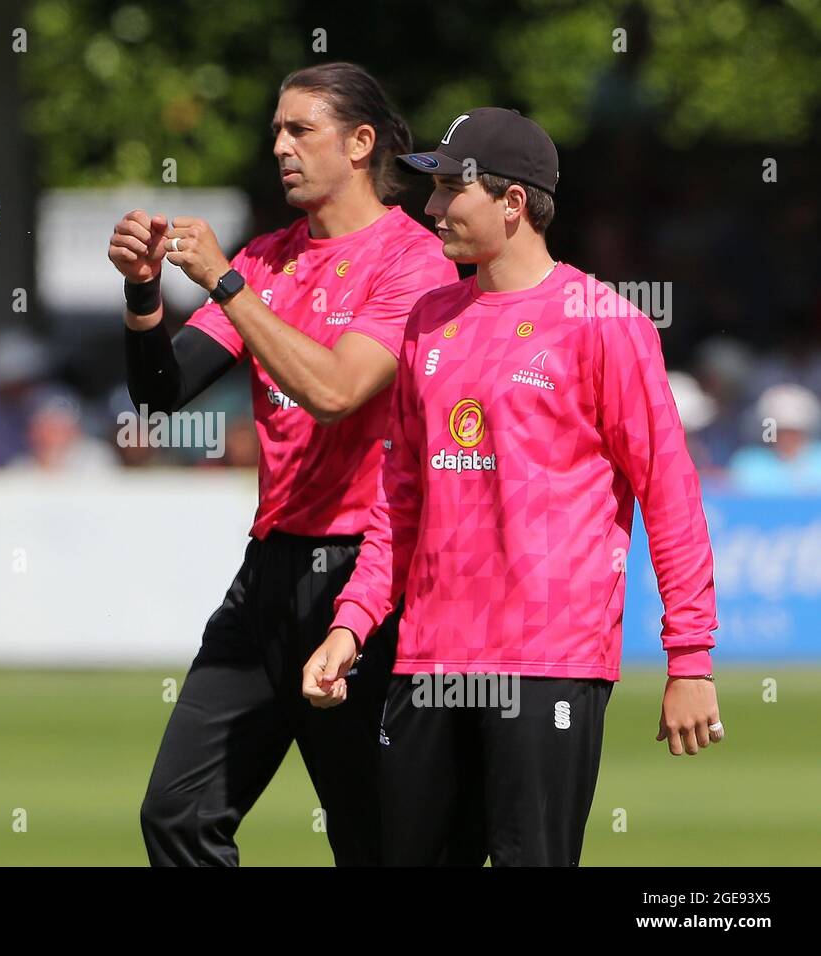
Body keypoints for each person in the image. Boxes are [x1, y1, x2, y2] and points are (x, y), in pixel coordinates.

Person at [302, 108, 723, 866]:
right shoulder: (429, 318)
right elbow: (400, 499)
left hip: (547, 659)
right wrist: (350, 624)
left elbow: (671, 498)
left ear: (513, 203)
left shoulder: (604, 322)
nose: (430, 210)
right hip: (427, 662)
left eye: (448, 192)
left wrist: (688, 660)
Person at [110, 62, 456, 865]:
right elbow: (163, 391)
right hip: (268, 572)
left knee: (372, 838)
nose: (280, 147)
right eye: (277, 130)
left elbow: (336, 390)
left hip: (363, 583)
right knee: (177, 813)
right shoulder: (271, 257)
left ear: (361, 142)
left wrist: (227, 283)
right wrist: (141, 293)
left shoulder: (415, 261)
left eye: (300, 129)